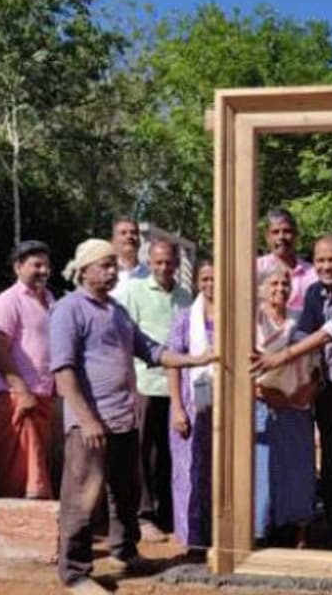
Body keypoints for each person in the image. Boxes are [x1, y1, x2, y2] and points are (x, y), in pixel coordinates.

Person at [49, 239, 214, 594]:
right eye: (105, 265)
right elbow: (63, 371)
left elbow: (151, 350)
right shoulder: (69, 310)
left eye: (113, 265)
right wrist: (87, 419)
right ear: (84, 269)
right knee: (83, 497)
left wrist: (194, 360)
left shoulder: (116, 311)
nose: (112, 271)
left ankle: (125, 552)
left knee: (126, 492)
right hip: (90, 424)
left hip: (123, 419)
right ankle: (75, 572)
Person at [251, 233, 332, 551]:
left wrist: (280, 358)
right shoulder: (313, 293)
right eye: (320, 260)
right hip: (325, 388)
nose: (326, 266)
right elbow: (301, 338)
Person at [118, 238, 192, 541]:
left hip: (177, 387)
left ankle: (168, 512)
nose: (164, 267)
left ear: (176, 263)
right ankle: (143, 514)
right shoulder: (132, 292)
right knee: (142, 450)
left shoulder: (185, 295)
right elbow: (125, 337)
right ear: (149, 262)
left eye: (169, 262)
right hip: (146, 384)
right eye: (158, 262)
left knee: (170, 451)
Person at [250, 264, 317, 548]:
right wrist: (264, 392)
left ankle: (300, 531)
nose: (280, 289)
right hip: (263, 405)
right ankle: (261, 532)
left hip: (298, 405)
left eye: (285, 284)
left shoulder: (299, 321)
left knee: (299, 469)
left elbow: (313, 362)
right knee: (264, 470)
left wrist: (307, 389)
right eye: (273, 284)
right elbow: (248, 366)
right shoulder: (252, 323)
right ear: (261, 289)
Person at [0, 239, 57, 499]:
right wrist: (21, 389)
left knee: (37, 463)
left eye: (47, 266)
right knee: (24, 468)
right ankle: (20, 522)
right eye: (36, 265)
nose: (43, 271)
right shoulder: (7, 302)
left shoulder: (50, 300)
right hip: (17, 396)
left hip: (43, 394)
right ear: (18, 267)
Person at [165, 258, 215, 549]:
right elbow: (172, 363)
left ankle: (219, 533)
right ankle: (192, 538)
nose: (210, 285)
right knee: (189, 470)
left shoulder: (233, 316)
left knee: (217, 470)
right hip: (191, 403)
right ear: (197, 282)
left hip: (225, 407)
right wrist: (176, 407)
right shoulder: (185, 318)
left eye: (215, 279)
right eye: (205, 279)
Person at [254, 208, 318, 311]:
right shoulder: (256, 269)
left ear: (296, 235)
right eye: (275, 232)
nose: (281, 237)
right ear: (267, 237)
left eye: (287, 231)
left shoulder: (312, 274)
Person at [107, 216, 147, 301]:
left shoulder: (150, 275)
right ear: (112, 241)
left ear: (139, 240)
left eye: (134, 233)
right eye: (123, 233)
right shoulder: (105, 275)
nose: (129, 236)